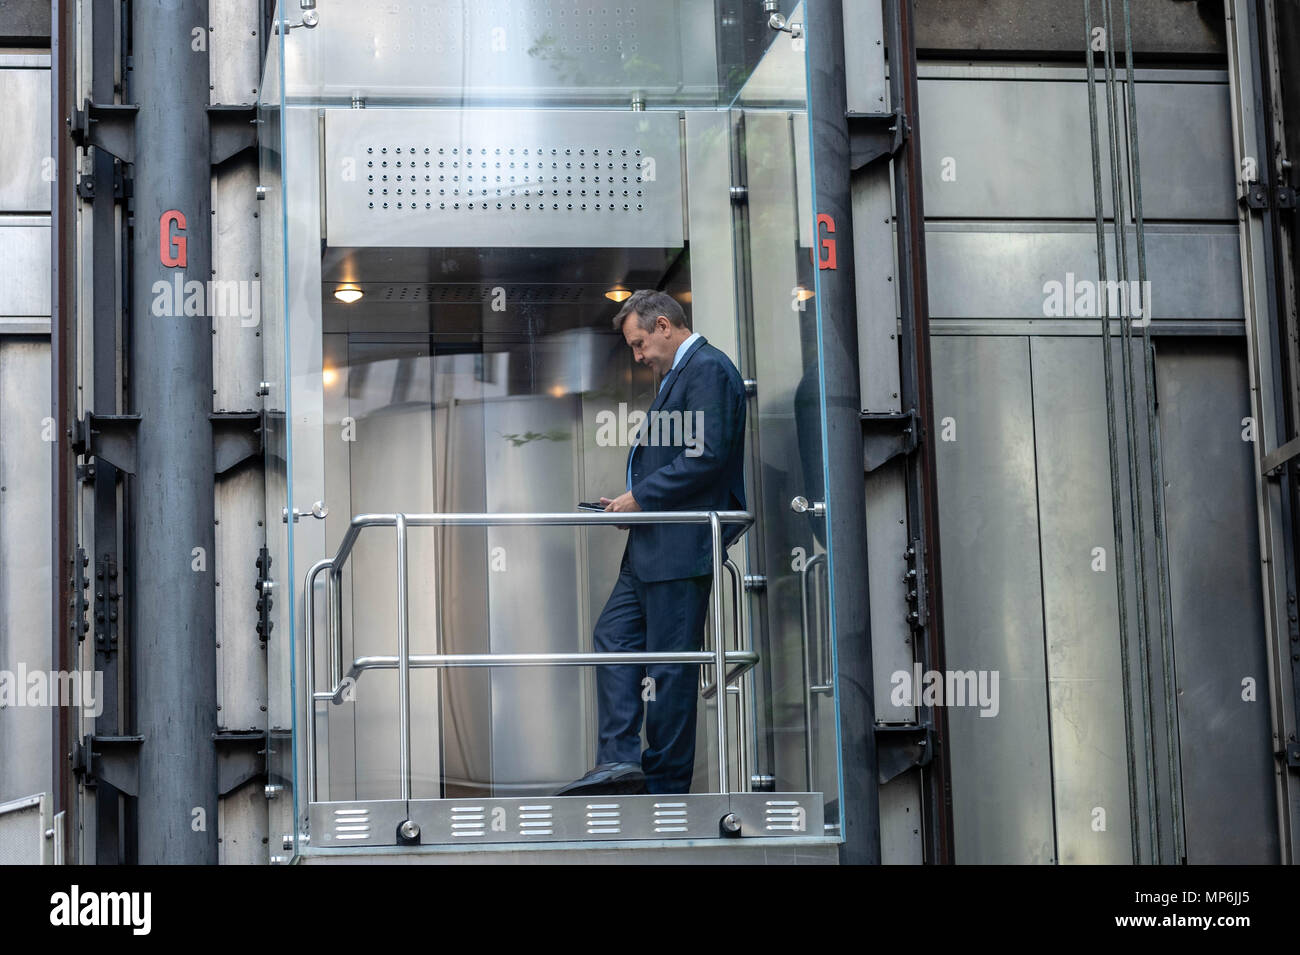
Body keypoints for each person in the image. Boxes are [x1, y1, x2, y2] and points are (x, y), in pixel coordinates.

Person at [557, 289, 747, 796]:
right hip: (652, 546)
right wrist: (627, 503)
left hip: (680, 550)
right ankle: (619, 763)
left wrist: (639, 498)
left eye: (640, 344)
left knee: (669, 670)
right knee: (614, 638)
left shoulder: (708, 369)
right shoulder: (681, 375)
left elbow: (705, 455)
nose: (639, 357)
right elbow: (676, 460)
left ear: (665, 326)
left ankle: (665, 788)